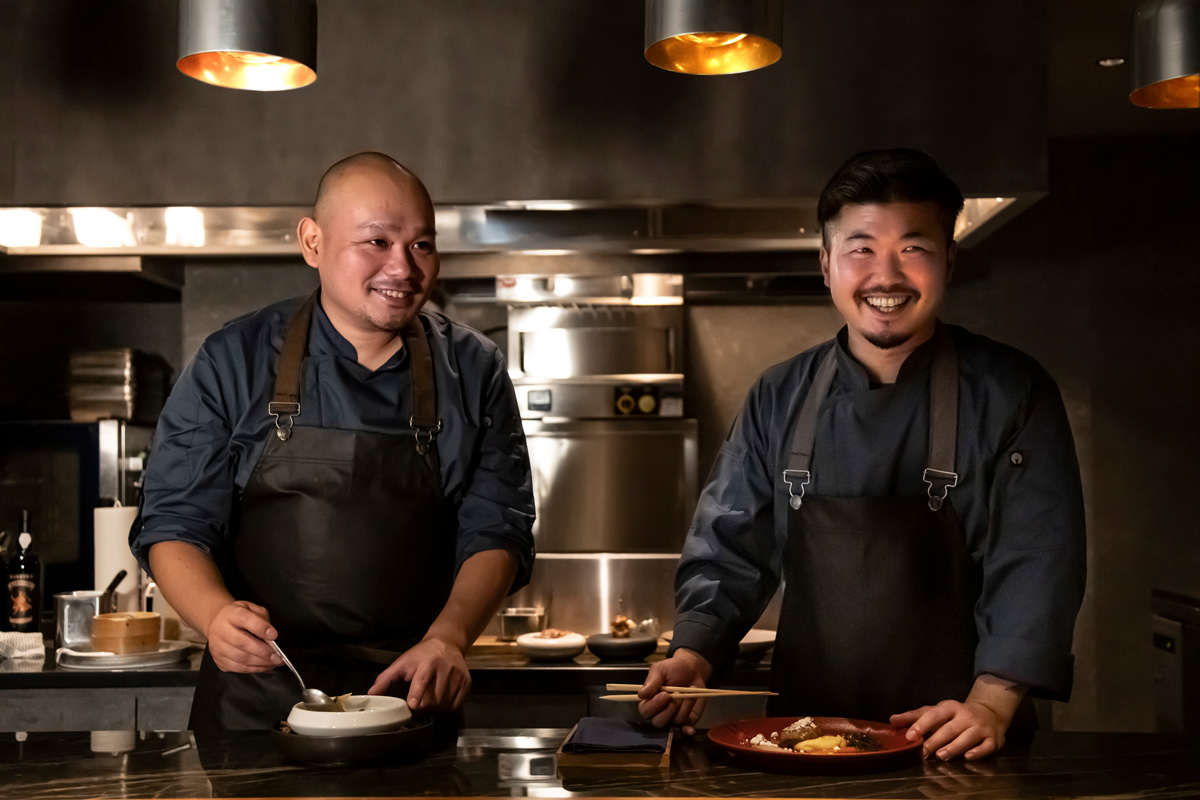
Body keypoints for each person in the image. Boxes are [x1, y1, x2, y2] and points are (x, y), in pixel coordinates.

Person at [638, 149, 1086, 761]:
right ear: (826, 264)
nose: (886, 275)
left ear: (949, 260)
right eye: (861, 248)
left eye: (913, 248)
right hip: (804, 742)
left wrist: (991, 701)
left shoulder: (1013, 391)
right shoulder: (779, 395)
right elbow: (730, 542)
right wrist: (694, 650)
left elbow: (1038, 559)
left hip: (960, 744)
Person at [130, 152, 535, 732]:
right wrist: (214, 617)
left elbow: (499, 526)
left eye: (421, 245)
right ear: (312, 243)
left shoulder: (474, 369)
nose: (403, 267)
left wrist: (448, 638)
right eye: (377, 242)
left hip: (412, 694)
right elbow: (173, 523)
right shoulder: (232, 360)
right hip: (261, 698)